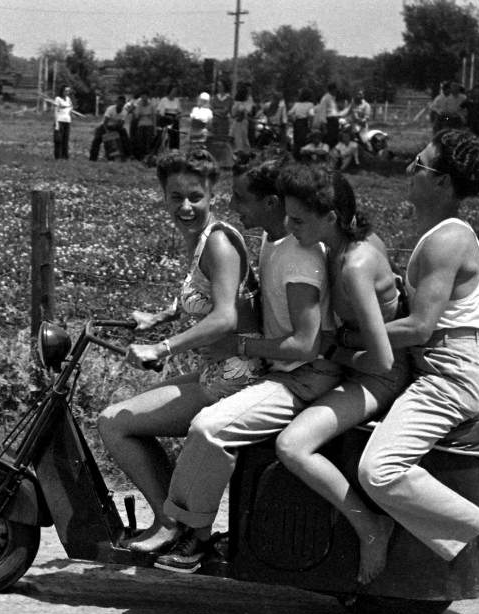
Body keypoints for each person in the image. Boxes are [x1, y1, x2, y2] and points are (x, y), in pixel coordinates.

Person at [127, 161, 344, 571]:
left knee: (209, 429)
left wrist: (237, 342)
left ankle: (194, 537)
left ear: (271, 202)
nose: (231, 203)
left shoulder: (300, 260)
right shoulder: (272, 239)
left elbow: (305, 343)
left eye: (240, 196)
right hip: (279, 370)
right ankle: (180, 524)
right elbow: (244, 295)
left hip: (303, 377)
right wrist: (167, 314)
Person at [356, 128, 479, 608]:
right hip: (435, 367)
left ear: (445, 184)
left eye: (422, 165)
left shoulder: (447, 240)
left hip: (448, 372)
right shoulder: (435, 235)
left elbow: (419, 326)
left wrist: (345, 341)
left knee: (379, 469)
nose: (409, 170)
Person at [98, 149, 264, 554]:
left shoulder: (219, 244)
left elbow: (225, 317)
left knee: (114, 423)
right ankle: (173, 517)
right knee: (122, 415)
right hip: (219, 368)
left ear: (212, 194)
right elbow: (203, 297)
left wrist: (163, 346)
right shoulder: (200, 239)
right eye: (176, 197)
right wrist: (159, 316)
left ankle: (172, 524)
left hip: (236, 374)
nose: (185, 206)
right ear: (163, 195)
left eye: (195, 197)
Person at [272, 165, 410, 584]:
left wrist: (331, 350)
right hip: (350, 364)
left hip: (376, 377)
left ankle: (370, 528)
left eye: (297, 220)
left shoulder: (354, 264)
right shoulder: (336, 246)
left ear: (330, 218)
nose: (287, 226)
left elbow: (383, 359)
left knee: (293, 446)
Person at [89, 94, 131, 161]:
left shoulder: (124, 111)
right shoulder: (110, 109)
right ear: (116, 102)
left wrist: (117, 130)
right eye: (119, 102)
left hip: (116, 126)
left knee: (125, 136)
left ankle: (127, 156)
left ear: (124, 103)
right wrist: (107, 132)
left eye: (122, 103)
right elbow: (105, 122)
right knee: (97, 139)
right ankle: (93, 158)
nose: (120, 104)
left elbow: (122, 123)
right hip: (105, 126)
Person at [288, 89, 315, 157]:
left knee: (296, 140)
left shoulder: (296, 104)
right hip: (304, 122)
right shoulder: (310, 104)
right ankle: (303, 156)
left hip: (297, 123)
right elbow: (311, 116)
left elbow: (289, 113)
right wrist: (310, 126)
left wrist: (293, 120)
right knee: (303, 140)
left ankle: (296, 156)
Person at [51, 86, 75, 160]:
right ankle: (58, 156)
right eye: (66, 91)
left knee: (65, 139)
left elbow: (71, 107)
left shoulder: (68, 99)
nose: (67, 92)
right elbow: (55, 111)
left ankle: (65, 156)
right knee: (58, 139)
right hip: (59, 120)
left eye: (68, 91)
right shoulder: (58, 99)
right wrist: (56, 123)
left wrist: (70, 109)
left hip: (67, 121)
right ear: (62, 91)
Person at [131, 91, 157, 160]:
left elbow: (154, 117)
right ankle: (141, 156)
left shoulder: (152, 104)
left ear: (147, 96)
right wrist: (140, 113)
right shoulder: (139, 104)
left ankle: (148, 156)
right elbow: (137, 116)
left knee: (148, 140)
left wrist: (155, 129)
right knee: (140, 139)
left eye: (144, 96)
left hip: (149, 124)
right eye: (142, 97)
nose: (143, 98)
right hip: (141, 124)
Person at [231, 83, 255, 155]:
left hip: (243, 121)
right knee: (235, 137)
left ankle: (245, 153)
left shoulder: (250, 98)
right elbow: (234, 112)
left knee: (243, 138)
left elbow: (248, 110)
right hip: (236, 121)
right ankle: (236, 152)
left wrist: (242, 112)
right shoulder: (238, 101)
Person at [317, 82, 341, 148]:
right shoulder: (325, 98)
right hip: (329, 123)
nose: (336, 91)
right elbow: (322, 113)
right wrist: (324, 127)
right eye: (335, 90)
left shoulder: (333, 98)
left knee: (335, 140)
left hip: (334, 122)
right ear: (332, 90)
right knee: (329, 141)